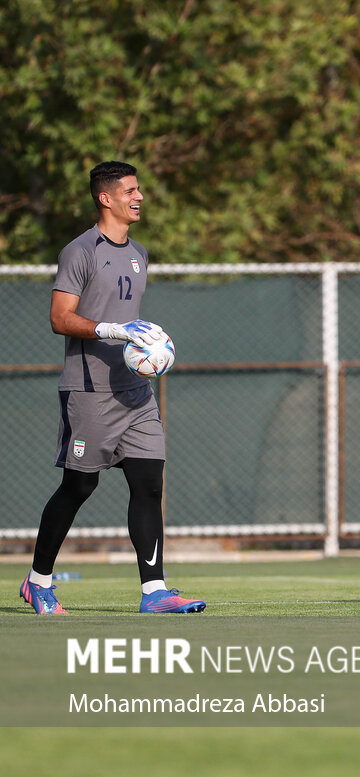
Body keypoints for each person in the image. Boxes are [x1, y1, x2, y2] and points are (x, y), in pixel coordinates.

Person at [19, 161, 206, 615]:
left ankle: (155, 592)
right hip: (90, 392)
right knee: (78, 487)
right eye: (130, 190)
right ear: (106, 198)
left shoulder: (138, 252)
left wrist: (146, 345)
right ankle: (38, 582)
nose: (139, 197)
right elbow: (59, 319)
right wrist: (112, 330)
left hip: (136, 394)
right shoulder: (80, 251)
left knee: (148, 483)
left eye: (139, 189)